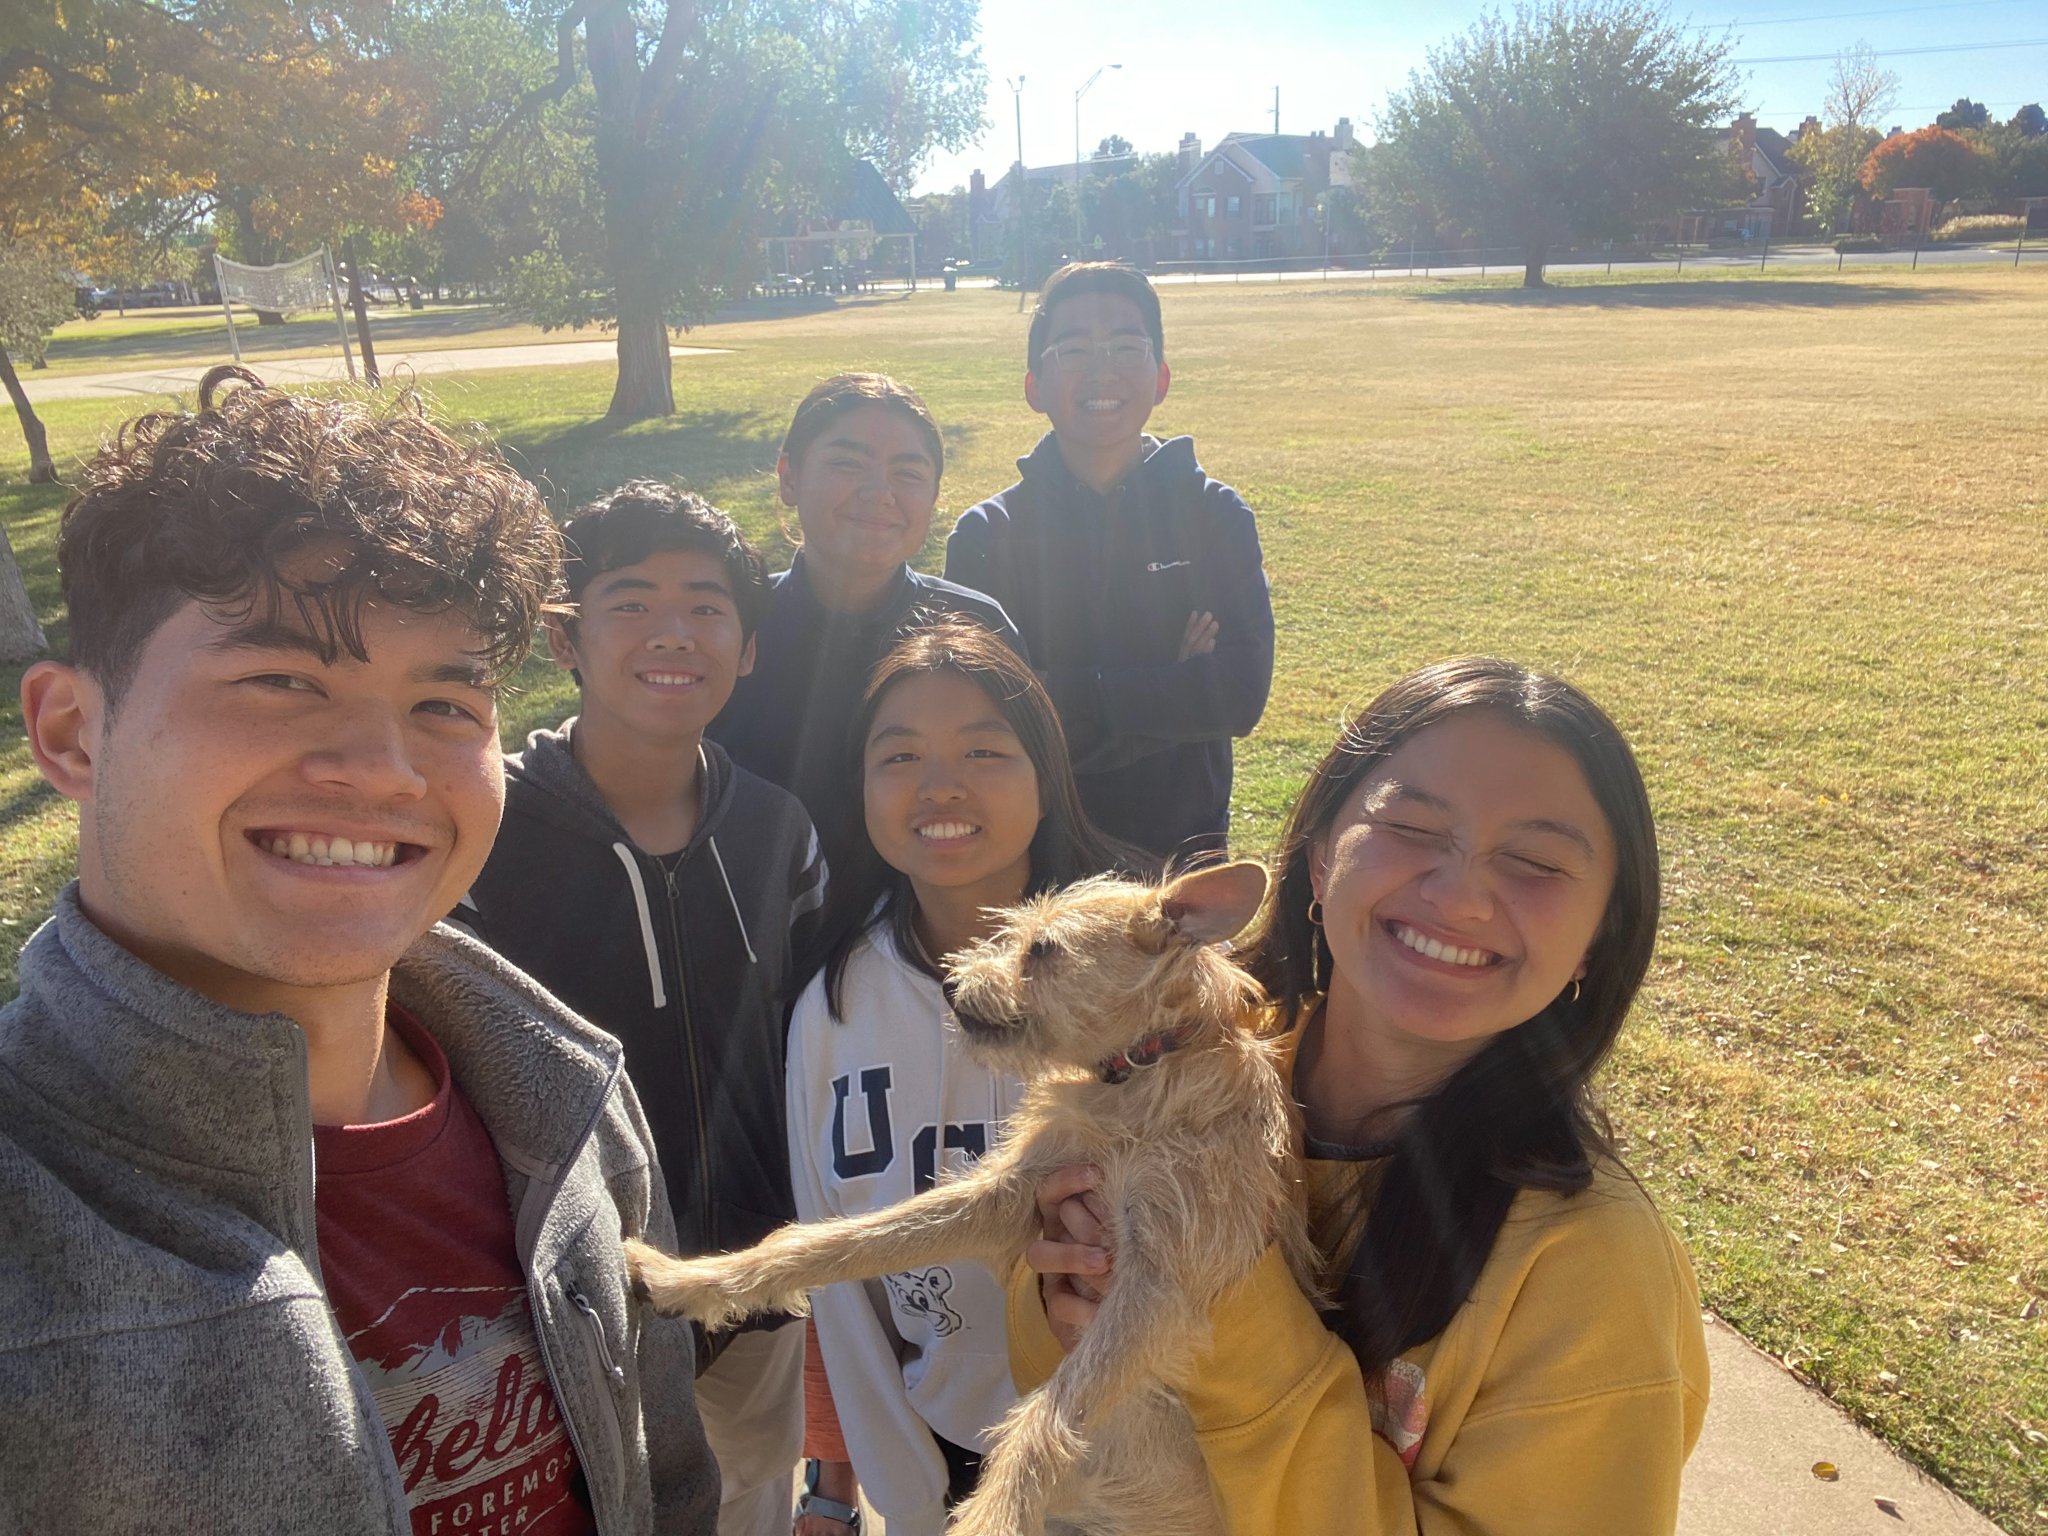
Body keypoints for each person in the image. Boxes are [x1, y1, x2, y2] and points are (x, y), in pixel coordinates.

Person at [0, 366, 716, 1535]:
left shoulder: (566, 1099)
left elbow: (668, 1482)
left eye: (445, 705)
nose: (383, 772)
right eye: (281, 679)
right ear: (73, 732)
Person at [1017, 656, 1711, 1533]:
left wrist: (1221, 1312)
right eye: (1413, 828)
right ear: (1318, 858)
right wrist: (1058, 1298)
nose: (1460, 896)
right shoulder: (1160, 1074)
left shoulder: (1595, 1274)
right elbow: (1036, 1369)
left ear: (1596, 940)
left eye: (1535, 861)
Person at [456, 481, 826, 1536]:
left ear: (748, 649)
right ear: (563, 638)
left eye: (707, 606)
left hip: (749, 1278)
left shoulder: (778, 833)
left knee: (748, 1501)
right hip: (560, 1300)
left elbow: (807, 1038)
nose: (673, 634)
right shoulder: (481, 827)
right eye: (630, 603)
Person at [786, 617, 1129, 1536]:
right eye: (899, 756)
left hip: (1134, 1459)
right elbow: (839, 1271)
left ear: (1047, 779)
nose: (941, 785)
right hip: (946, 1461)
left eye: (984, 749)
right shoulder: (834, 1004)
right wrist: (900, 1492)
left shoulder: (1133, 986)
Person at [945, 261, 1275, 864]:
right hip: (1037, 862)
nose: (1102, 371)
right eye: (1074, 350)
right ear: (1034, 386)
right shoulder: (988, 536)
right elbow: (994, 723)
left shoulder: (1214, 516)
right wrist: (1170, 686)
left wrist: (1067, 691)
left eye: (1126, 346)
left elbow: (1238, 695)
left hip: (1183, 858)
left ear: (1161, 378)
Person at [709, 373, 1022, 870]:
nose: (880, 493)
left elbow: (1024, 800)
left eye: (908, 473)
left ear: (934, 496)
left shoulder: (975, 627)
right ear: (789, 477)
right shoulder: (726, 625)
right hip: (752, 904)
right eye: (847, 464)